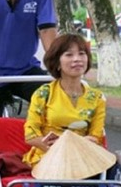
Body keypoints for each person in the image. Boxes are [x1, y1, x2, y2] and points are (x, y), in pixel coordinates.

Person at [22, 34, 106, 168]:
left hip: (82, 155)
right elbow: (31, 134)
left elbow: (95, 136)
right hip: (48, 155)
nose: (77, 59)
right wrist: (59, 149)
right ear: (57, 63)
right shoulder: (43, 94)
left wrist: (73, 148)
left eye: (81, 53)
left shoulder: (97, 98)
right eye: (69, 55)